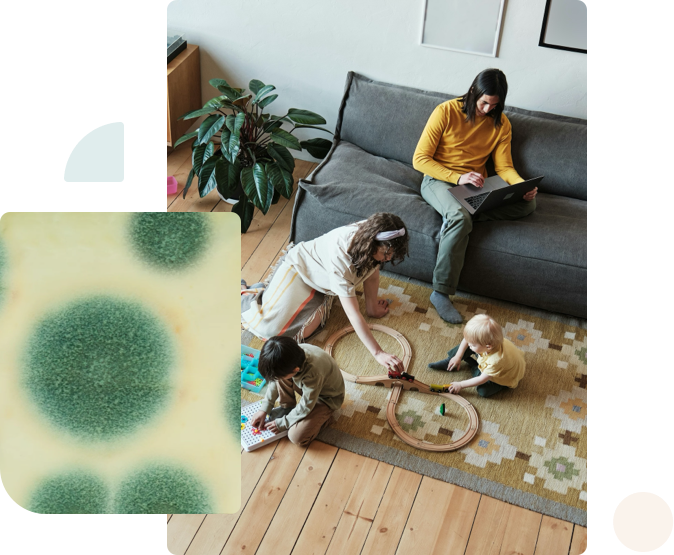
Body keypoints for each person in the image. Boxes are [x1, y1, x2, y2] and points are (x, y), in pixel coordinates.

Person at [413, 68, 538, 324]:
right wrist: (458, 178)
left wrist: (521, 185)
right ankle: (440, 292)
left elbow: (504, 168)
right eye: (483, 102)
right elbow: (420, 159)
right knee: (460, 216)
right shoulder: (445, 111)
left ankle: (457, 220)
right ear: (473, 92)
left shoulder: (501, 124)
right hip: (440, 180)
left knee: (527, 205)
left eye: (494, 105)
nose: (486, 109)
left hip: (474, 188)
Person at [241, 213, 409, 374]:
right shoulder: (342, 255)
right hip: (300, 271)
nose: (388, 258)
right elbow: (352, 313)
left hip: (325, 282)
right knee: (271, 331)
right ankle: (244, 296)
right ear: (371, 244)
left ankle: (279, 296)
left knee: (306, 330)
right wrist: (378, 353)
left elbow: (371, 271)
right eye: (386, 254)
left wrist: (371, 307)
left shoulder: (375, 235)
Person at [249, 336, 345, 448]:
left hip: (327, 399)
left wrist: (284, 423)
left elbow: (306, 405)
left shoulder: (313, 372)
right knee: (281, 378)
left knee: (296, 436)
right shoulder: (289, 355)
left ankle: (325, 418)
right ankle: (288, 409)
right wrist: (264, 409)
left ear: (296, 370)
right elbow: (275, 380)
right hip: (310, 389)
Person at [427, 314, 525, 398]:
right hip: (491, 358)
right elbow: (467, 339)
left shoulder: (497, 361)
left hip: (503, 376)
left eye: (472, 344)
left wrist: (460, 384)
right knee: (469, 346)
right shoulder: (489, 342)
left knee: (483, 391)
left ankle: (475, 367)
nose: (469, 344)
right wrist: (458, 356)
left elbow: (482, 379)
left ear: (488, 346)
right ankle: (450, 361)